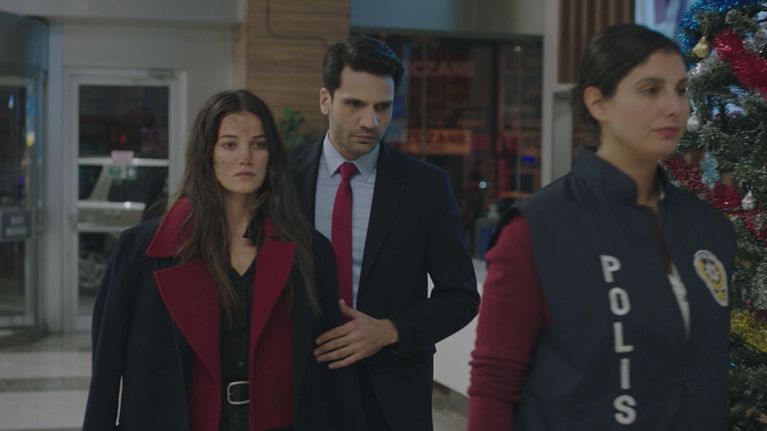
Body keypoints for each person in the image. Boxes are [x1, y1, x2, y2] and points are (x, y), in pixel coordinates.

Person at [468, 23, 736, 430]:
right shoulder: (538, 228)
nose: (674, 107)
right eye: (650, 90)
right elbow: (495, 381)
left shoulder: (708, 228)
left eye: (681, 90)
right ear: (597, 103)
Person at [83, 89, 363, 431]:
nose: (246, 157)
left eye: (258, 145)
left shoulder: (310, 251)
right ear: (207, 154)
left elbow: (330, 369)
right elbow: (107, 367)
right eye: (229, 144)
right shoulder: (139, 251)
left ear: (271, 156)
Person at [290, 35, 479, 430]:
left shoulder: (425, 187)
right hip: (299, 386)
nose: (370, 122)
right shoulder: (283, 179)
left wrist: (389, 331)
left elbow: (461, 296)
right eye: (354, 104)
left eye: (382, 107)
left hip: (390, 391)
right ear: (325, 100)